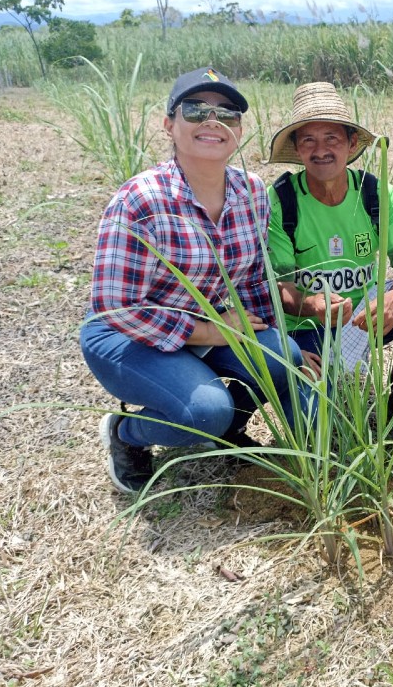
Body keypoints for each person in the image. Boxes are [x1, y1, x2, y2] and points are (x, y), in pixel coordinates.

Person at [81, 66, 308, 493]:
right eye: (196, 109)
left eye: (227, 114)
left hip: (214, 324)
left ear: (239, 130)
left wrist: (285, 349)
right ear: (169, 124)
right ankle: (127, 433)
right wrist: (209, 332)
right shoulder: (140, 200)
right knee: (205, 409)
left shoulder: (252, 192)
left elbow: (255, 280)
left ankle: (221, 433)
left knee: (284, 360)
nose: (212, 121)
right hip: (129, 335)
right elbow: (116, 307)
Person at [267, 82, 393, 451]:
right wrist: (308, 304)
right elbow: (279, 284)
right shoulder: (282, 200)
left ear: (350, 144)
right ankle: (314, 389)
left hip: (364, 315)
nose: (321, 150)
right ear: (297, 149)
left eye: (331, 137)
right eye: (308, 140)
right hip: (308, 327)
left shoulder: (375, 194)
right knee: (318, 436)